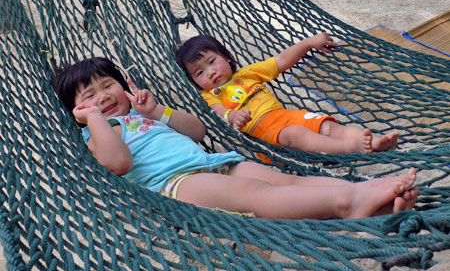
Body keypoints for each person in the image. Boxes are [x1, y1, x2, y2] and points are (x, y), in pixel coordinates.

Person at [52, 57, 418, 220]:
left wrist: (156, 111)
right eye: (89, 96)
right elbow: (118, 163)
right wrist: (94, 119)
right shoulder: (95, 133)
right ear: (77, 111)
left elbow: (197, 131)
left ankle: (369, 200)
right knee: (257, 195)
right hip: (176, 184)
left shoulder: (139, 115)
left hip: (213, 162)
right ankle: (346, 202)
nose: (102, 97)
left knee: (286, 180)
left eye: (108, 85)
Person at [176, 34, 399, 155]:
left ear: (228, 58)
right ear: (194, 81)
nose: (210, 72)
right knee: (296, 134)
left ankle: (375, 141)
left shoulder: (247, 73)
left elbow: (281, 61)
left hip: (285, 115)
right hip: (267, 133)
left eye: (212, 62)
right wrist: (232, 116)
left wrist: (308, 43)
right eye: (199, 73)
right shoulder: (210, 95)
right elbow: (218, 111)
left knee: (325, 125)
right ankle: (349, 148)